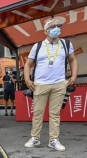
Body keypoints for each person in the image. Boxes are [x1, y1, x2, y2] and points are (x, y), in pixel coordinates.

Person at [24, 18, 78, 151]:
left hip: (59, 83)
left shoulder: (66, 44)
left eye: (59, 26)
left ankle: (53, 140)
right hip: (40, 84)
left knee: (55, 113)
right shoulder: (37, 46)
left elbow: (73, 60)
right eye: (53, 26)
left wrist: (74, 76)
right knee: (38, 113)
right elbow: (27, 64)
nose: (57, 28)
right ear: (46, 30)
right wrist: (27, 79)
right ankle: (35, 138)